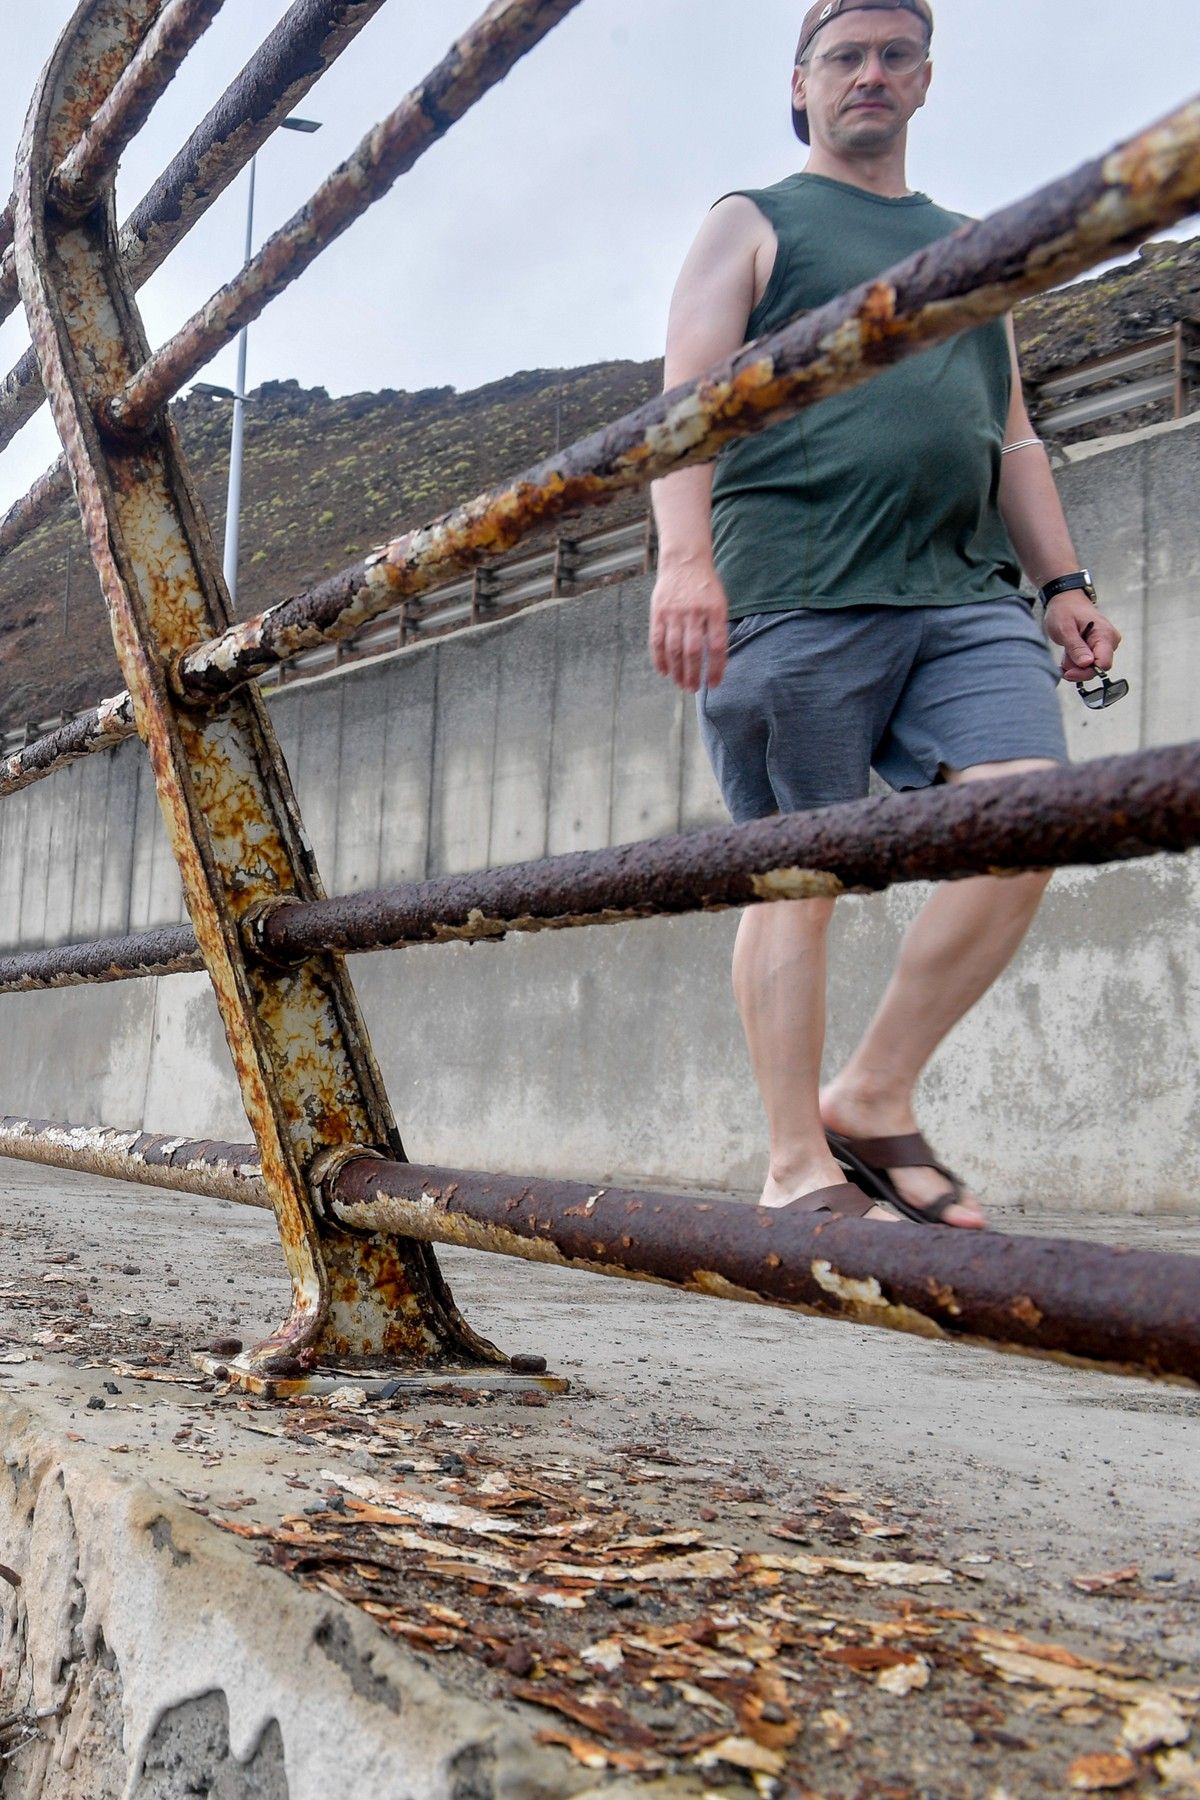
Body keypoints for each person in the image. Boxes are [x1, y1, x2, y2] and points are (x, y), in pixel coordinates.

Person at [648, 0, 1122, 1228]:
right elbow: (683, 404)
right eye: (843, 56)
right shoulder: (754, 221)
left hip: (966, 594)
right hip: (795, 587)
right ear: (799, 85)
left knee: (1028, 818)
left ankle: (871, 1094)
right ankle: (795, 1161)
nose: (870, 73)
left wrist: (1062, 585)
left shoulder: (970, 244)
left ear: (925, 81)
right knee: (796, 873)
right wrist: (684, 562)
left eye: (893, 55)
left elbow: (1009, 429)